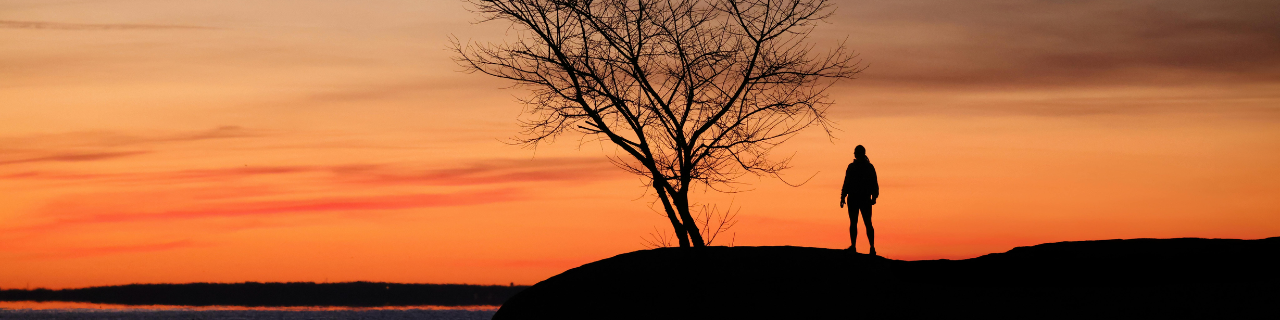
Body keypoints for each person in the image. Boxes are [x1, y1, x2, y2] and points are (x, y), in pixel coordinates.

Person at [840, 145, 879, 255]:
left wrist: (874, 196)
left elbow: (874, 183)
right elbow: (846, 182)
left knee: (865, 223)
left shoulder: (866, 167)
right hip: (856, 198)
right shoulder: (855, 167)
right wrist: (843, 196)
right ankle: (856, 246)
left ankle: (871, 247)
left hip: (861, 198)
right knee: (856, 223)